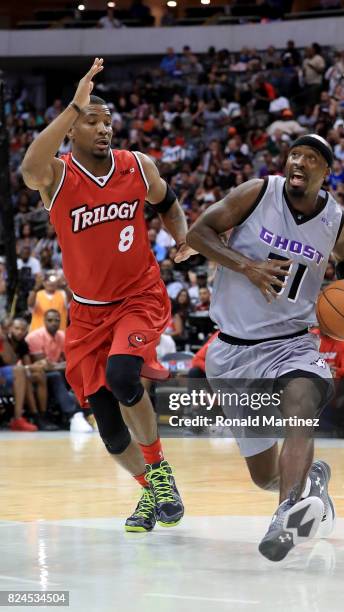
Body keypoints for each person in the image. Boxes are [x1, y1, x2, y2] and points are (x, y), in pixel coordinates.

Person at [21, 58, 196, 533]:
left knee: (123, 375)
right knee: (111, 432)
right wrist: (75, 102)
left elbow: (168, 202)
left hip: (139, 296)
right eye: (92, 122)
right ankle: (149, 494)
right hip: (88, 314)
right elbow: (28, 167)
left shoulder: (137, 166)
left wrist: (180, 237)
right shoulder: (56, 178)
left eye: (108, 123)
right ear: (72, 129)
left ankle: (159, 471)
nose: (104, 130)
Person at [187, 134, 344, 561]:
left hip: (292, 343)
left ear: (327, 172)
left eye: (310, 157)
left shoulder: (335, 220)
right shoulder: (257, 193)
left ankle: (284, 518)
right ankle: (310, 481)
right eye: (294, 155)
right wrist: (246, 266)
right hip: (232, 351)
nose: (298, 162)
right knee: (263, 474)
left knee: (302, 402)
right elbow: (199, 233)